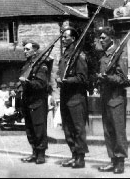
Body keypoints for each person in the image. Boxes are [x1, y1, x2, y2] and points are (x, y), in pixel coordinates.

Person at [94, 27, 129, 174]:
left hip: (116, 98)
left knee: (118, 131)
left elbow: (123, 79)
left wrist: (107, 78)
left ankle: (120, 161)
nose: (100, 40)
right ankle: (112, 160)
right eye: (100, 38)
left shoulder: (118, 55)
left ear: (111, 38)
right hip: (106, 97)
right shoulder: (104, 56)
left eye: (103, 38)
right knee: (108, 131)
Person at [55, 27, 89, 169]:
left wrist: (66, 81)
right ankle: (74, 155)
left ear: (73, 39)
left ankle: (80, 158)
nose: (63, 39)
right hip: (65, 96)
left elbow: (83, 78)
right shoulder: (65, 55)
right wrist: (57, 77)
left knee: (77, 128)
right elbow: (59, 72)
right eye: (62, 37)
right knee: (68, 129)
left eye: (65, 37)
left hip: (76, 97)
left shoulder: (78, 56)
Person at [19, 41, 50, 165]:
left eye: (27, 49)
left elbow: (42, 84)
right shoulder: (26, 65)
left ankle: (41, 154)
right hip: (27, 101)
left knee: (39, 128)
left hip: (37, 101)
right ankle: (34, 152)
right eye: (24, 49)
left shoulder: (40, 66)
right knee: (30, 128)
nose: (25, 51)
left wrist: (27, 83)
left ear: (35, 51)